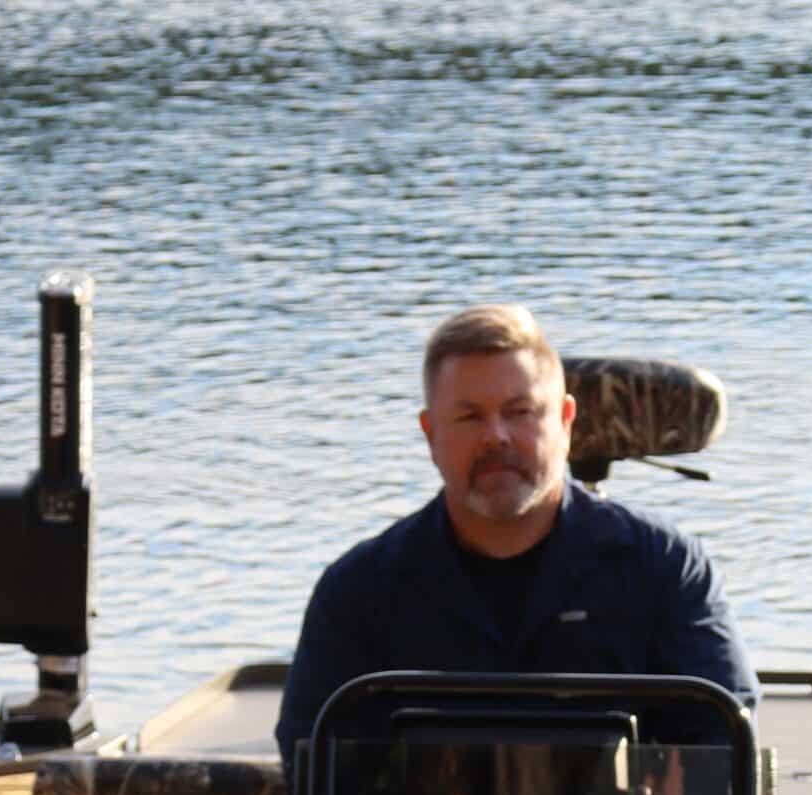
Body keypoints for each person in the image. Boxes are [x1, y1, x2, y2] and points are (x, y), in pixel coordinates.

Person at [274, 304, 758, 761]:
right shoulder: (358, 592)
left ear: (566, 421)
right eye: (469, 416)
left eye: (520, 411)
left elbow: (722, 755)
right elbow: (320, 781)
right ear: (431, 434)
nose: (497, 436)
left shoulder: (666, 569)